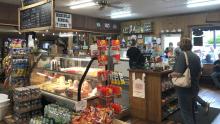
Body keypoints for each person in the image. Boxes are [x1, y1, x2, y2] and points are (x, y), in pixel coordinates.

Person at [169, 38, 201, 124]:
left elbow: (178, 73)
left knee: (186, 113)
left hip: (184, 89)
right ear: (191, 45)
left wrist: (170, 75)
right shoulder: (196, 56)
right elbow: (199, 72)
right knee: (191, 112)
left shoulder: (182, 55)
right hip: (194, 86)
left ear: (181, 46)